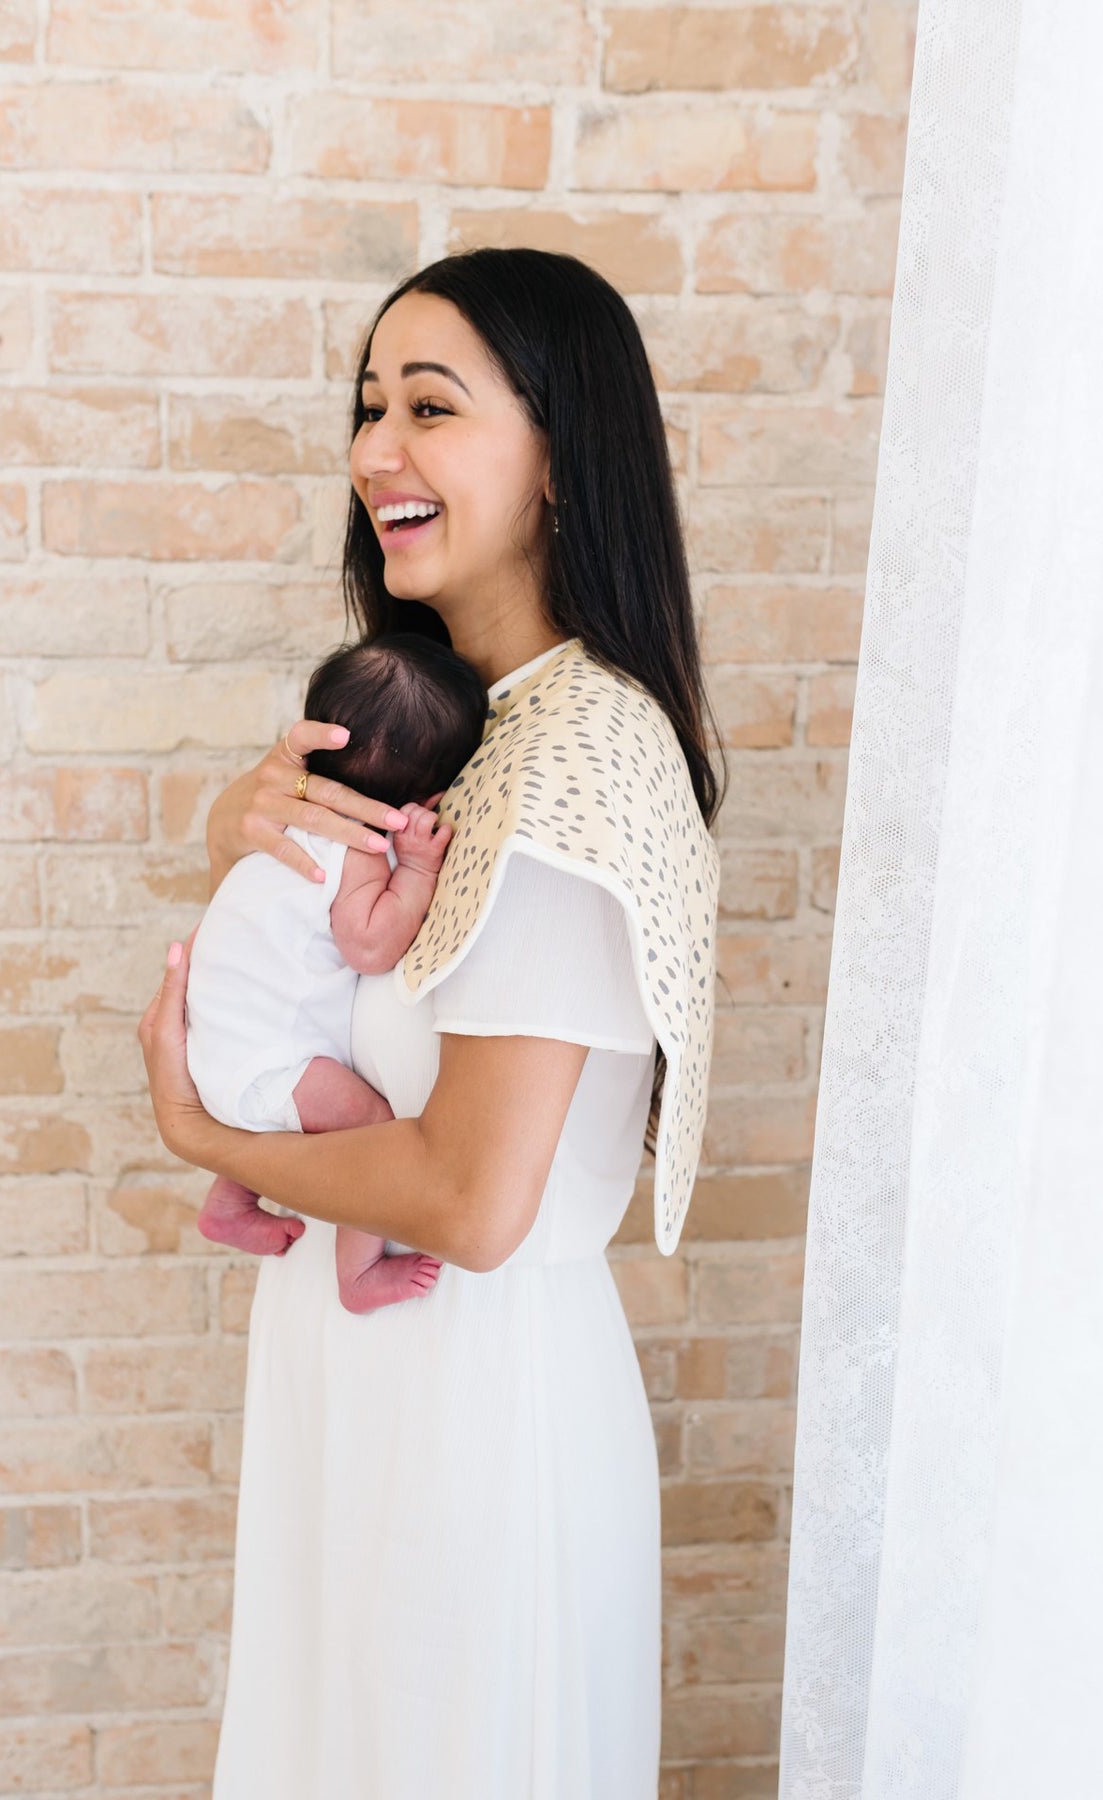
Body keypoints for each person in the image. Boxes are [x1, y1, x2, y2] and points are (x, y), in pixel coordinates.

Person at [139, 247, 723, 1799]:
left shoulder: (574, 758)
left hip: (473, 1412)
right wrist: (239, 836)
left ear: (559, 459)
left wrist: (198, 1131)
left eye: (431, 407)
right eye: (367, 404)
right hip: (365, 1388)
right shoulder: (452, 732)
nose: (374, 449)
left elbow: (469, 1201)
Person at [185, 633, 487, 1313]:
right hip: (267, 1062)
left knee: (301, 1114)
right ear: (432, 795)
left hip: (222, 1046)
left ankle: (229, 1201)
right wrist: (418, 869)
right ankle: (358, 1272)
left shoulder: (281, 823)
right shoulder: (357, 849)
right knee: (374, 1132)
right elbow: (370, 947)